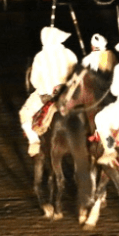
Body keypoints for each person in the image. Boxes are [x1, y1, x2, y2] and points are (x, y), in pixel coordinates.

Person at [19, 26, 78, 156]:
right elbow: (75, 74)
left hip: (45, 95)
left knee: (24, 113)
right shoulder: (69, 54)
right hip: (67, 94)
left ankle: (33, 140)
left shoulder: (40, 57)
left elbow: (34, 81)